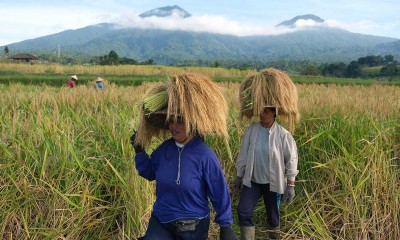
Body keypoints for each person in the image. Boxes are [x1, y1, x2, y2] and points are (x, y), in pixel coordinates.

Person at [131, 73, 237, 240]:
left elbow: (219, 191)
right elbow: (150, 173)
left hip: (192, 225)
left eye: (179, 120)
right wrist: (140, 152)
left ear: (193, 122)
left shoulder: (205, 156)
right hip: (161, 219)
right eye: (170, 120)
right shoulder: (164, 149)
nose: (173, 126)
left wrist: (226, 225)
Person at [233, 68, 299, 240]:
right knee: (243, 211)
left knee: (273, 216)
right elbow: (243, 154)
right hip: (252, 181)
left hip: (272, 182)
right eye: (261, 110)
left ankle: (274, 236)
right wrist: (239, 176)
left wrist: (291, 185)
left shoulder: (283, 135)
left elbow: (291, 160)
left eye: (267, 111)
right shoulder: (251, 131)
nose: (263, 114)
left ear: (275, 112)